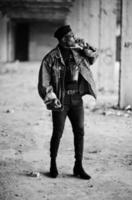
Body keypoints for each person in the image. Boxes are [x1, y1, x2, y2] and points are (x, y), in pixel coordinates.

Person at [38, 25, 98, 179]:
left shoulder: (78, 53)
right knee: (57, 132)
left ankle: (78, 166)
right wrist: (53, 101)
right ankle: (53, 164)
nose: (73, 37)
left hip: (77, 99)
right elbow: (44, 84)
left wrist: (85, 46)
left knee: (80, 132)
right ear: (63, 39)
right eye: (70, 36)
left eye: (72, 35)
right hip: (61, 100)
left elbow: (93, 57)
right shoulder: (50, 58)